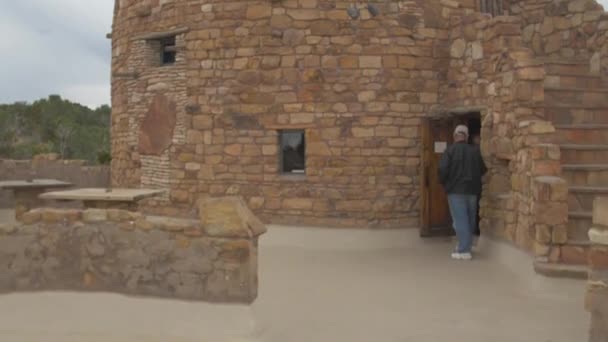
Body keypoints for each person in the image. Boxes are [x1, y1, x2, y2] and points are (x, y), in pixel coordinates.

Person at [438, 125, 487, 260]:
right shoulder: (475, 151)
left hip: (455, 191)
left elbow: (442, 170)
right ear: (466, 137)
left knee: (460, 220)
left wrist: (445, 184)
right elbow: (483, 170)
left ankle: (463, 250)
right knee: (470, 219)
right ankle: (467, 245)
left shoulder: (450, 150)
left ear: (455, 136)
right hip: (472, 191)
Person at [471, 134, 482, 244]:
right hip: (476, 185)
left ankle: (474, 231)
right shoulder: (477, 152)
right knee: (474, 209)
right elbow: (482, 169)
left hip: (471, 186)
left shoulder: (473, 150)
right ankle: (475, 230)